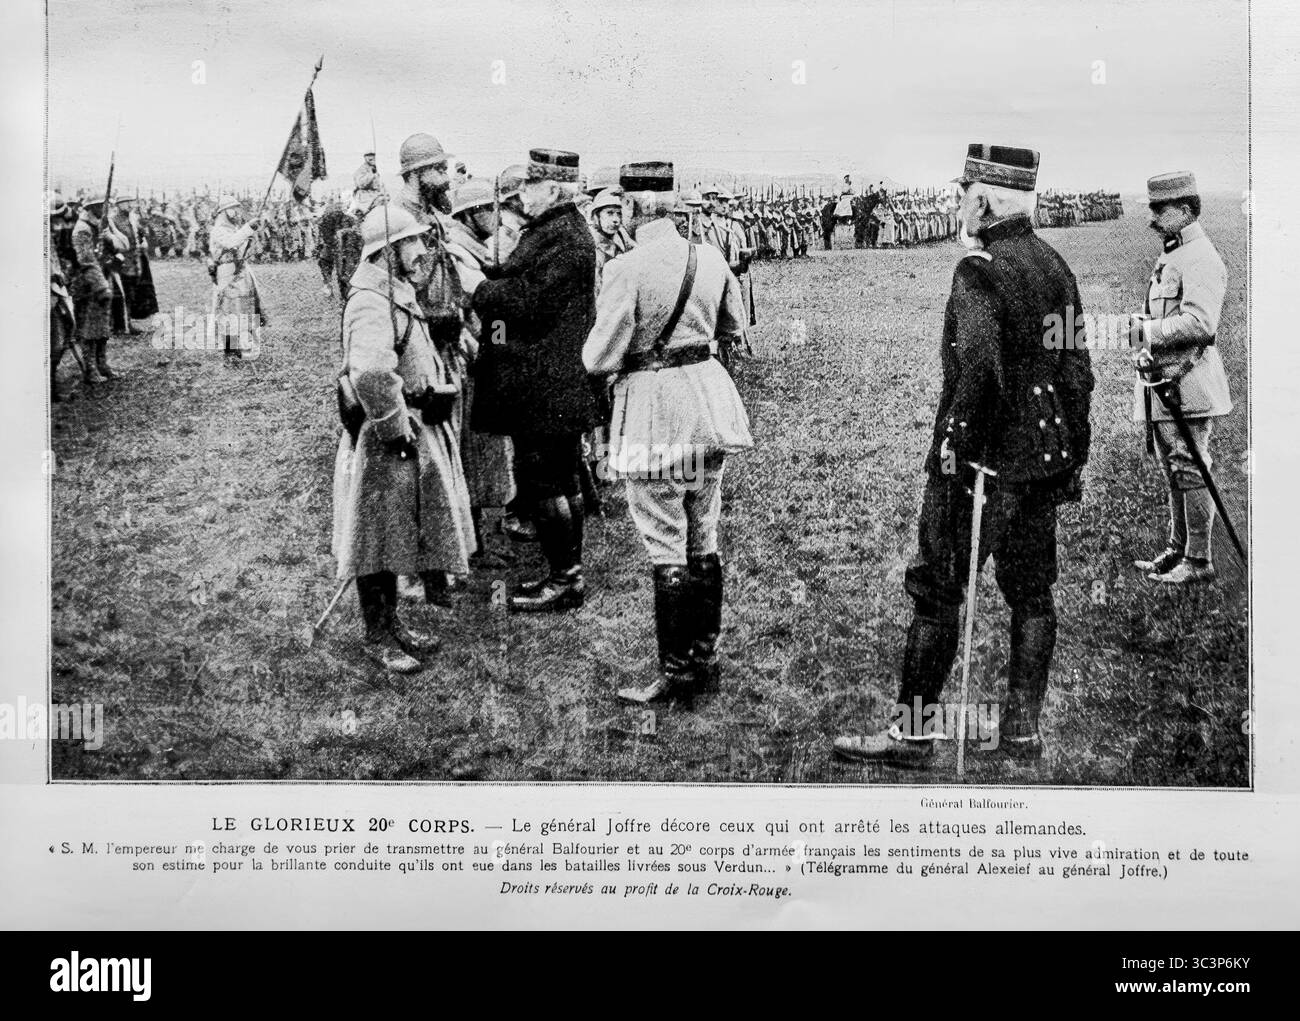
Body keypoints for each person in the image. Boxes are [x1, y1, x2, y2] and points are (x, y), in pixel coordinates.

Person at [833, 144, 1094, 766]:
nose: (958, 204)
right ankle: (1023, 731)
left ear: (982, 198)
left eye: (962, 194)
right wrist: (1067, 454)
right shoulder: (1055, 265)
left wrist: (955, 450)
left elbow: (976, 373)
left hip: (981, 465)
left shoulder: (978, 269)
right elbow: (1077, 371)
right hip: (1041, 461)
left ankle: (911, 736)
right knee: (1031, 593)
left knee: (937, 591)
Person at [584, 195, 753, 705]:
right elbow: (733, 328)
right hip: (707, 404)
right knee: (703, 532)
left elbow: (599, 357)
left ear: (635, 208)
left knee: (664, 538)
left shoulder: (623, 267)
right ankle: (704, 654)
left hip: (652, 413)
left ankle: (676, 673)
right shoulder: (710, 257)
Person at [332, 204, 470, 673]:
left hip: (406, 433)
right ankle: (376, 633)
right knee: (374, 537)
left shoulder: (392, 292)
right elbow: (369, 370)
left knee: (392, 533)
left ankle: (391, 623)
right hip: (385, 440)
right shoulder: (371, 300)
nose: (422, 251)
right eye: (412, 242)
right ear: (388, 251)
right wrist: (395, 427)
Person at [465, 148, 599, 613]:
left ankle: (564, 580)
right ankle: (568, 574)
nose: (521, 196)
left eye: (530, 186)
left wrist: (480, 289)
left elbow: (528, 303)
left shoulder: (565, 238)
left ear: (554, 189)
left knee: (546, 483)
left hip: (545, 386)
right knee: (562, 481)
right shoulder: (555, 231)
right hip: (550, 383)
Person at [1130, 171, 1231, 585]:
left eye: (1160, 209)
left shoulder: (1201, 257)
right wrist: (1145, 321)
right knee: (1174, 468)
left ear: (1186, 210)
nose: (1152, 217)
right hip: (1166, 383)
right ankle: (1177, 550)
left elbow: (1201, 323)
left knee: (1190, 467)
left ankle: (1199, 560)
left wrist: (1147, 332)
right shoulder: (1172, 254)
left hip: (1187, 383)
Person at [208, 196, 266, 361]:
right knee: (229, 310)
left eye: (237, 208)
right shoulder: (218, 230)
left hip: (240, 271)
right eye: (232, 209)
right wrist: (248, 228)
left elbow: (241, 247)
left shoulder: (234, 228)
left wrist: (249, 239)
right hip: (227, 273)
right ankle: (230, 349)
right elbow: (230, 243)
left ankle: (245, 347)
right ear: (223, 212)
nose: (236, 212)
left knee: (244, 309)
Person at [69, 195, 117, 382]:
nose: (105, 209)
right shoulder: (82, 230)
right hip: (88, 285)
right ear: (92, 208)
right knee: (88, 329)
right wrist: (101, 286)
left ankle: (102, 363)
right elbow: (86, 261)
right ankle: (90, 369)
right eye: (101, 206)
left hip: (101, 280)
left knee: (102, 327)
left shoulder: (98, 226)